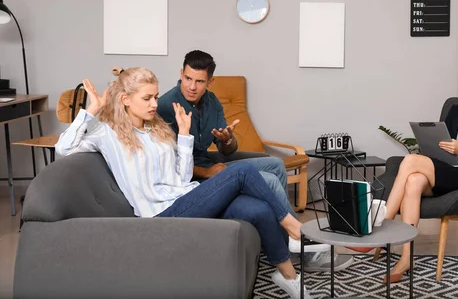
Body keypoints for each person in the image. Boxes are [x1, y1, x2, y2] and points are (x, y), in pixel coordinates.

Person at [55, 67, 314, 299]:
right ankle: (294, 229)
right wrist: (91, 111)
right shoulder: (106, 133)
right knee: (243, 171)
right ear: (125, 99)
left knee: (257, 210)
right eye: (147, 98)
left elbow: (180, 178)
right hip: (161, 214)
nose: (154, 104)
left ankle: (289, 278)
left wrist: (185, 134)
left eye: (155, 97)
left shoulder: (156, 130)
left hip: (185, 197)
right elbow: (63, 149)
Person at [157, 50, 354, 272]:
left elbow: (228, 151)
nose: (192, 86)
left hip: (214, 166)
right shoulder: (164, 107)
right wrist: (206, 172)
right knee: (268, 180)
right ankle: (295, 245)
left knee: (276, 165)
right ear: (181, 73)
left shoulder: (212, 102)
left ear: (210, 82)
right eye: (188, 78)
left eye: (199, 81)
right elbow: (165, 163)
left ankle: (287, 243)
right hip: (194, 178)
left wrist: (227, 140)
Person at [350, 60, 458, 284]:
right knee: (414, 181)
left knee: (409, 161)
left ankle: (380, 230)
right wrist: (436, 145)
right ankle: (406, 259)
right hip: (445, 166)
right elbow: (442, 140)